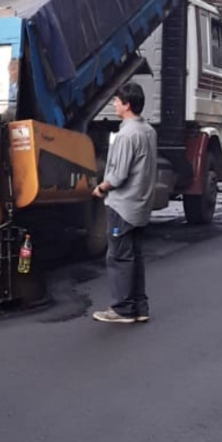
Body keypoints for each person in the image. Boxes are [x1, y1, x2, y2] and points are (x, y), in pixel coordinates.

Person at [91, 81, 158, 324]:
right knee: (135, 257)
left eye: (117, 101)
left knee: (119, 257)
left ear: (127, 105)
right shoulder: (148, 131)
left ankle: (122, 309)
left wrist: (100, 188)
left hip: (122, 206)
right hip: (140, 205)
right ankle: (139, 307)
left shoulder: (126, 135)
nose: (114, 104)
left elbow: (118, 176)